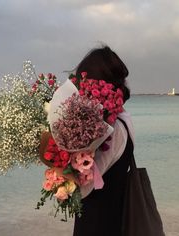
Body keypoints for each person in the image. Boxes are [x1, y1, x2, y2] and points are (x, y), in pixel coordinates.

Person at [72, 46, 134, 236]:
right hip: (109, 221)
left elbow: (84, 189)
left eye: (83, 82)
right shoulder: (117, 121)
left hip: (98, 225)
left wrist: (61, 174)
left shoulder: (111, 130)